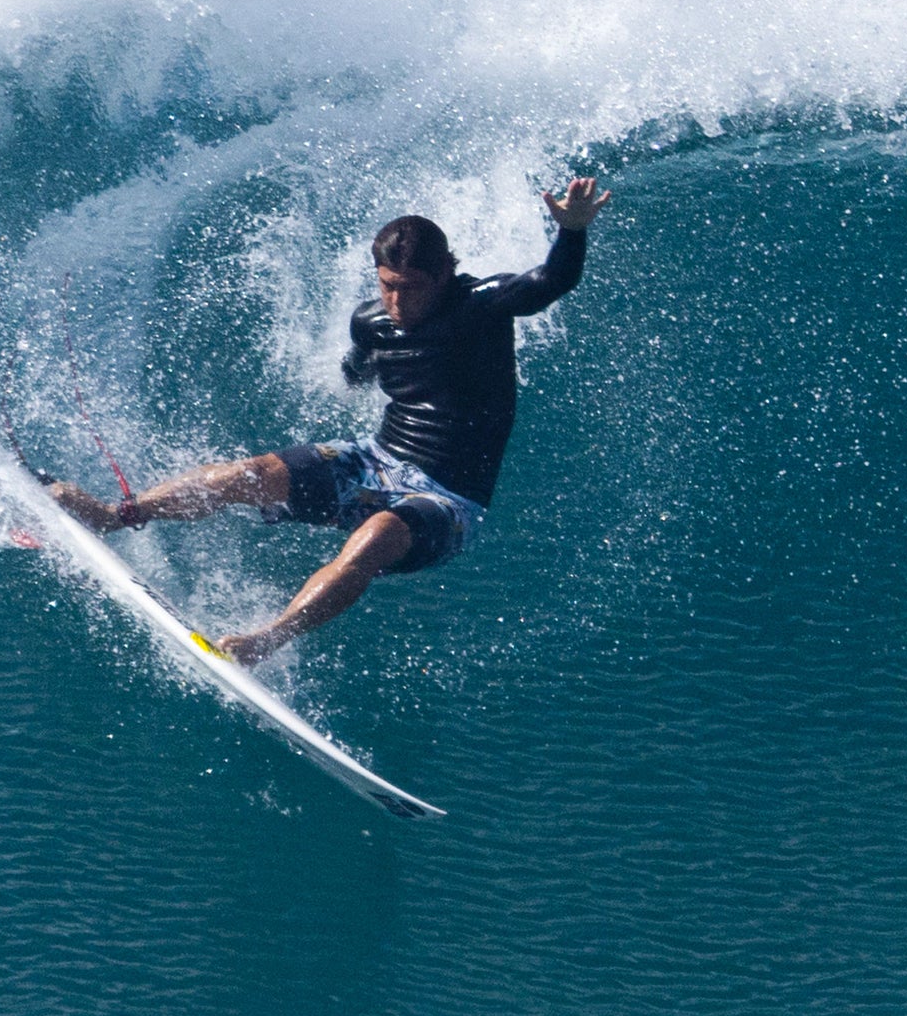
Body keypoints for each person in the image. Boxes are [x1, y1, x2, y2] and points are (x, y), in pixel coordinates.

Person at [44, 176, 610, 664]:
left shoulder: (482, 305)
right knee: (253, 474)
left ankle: (264, 643)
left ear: (445, 275)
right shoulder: (371, 323)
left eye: (413, 290)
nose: (398, 303)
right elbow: (360, 370)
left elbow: (549, 282)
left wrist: (574, 229)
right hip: (375, 459)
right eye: (388, 287)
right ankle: (116, 515)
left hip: (448, 501)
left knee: (376, 537)